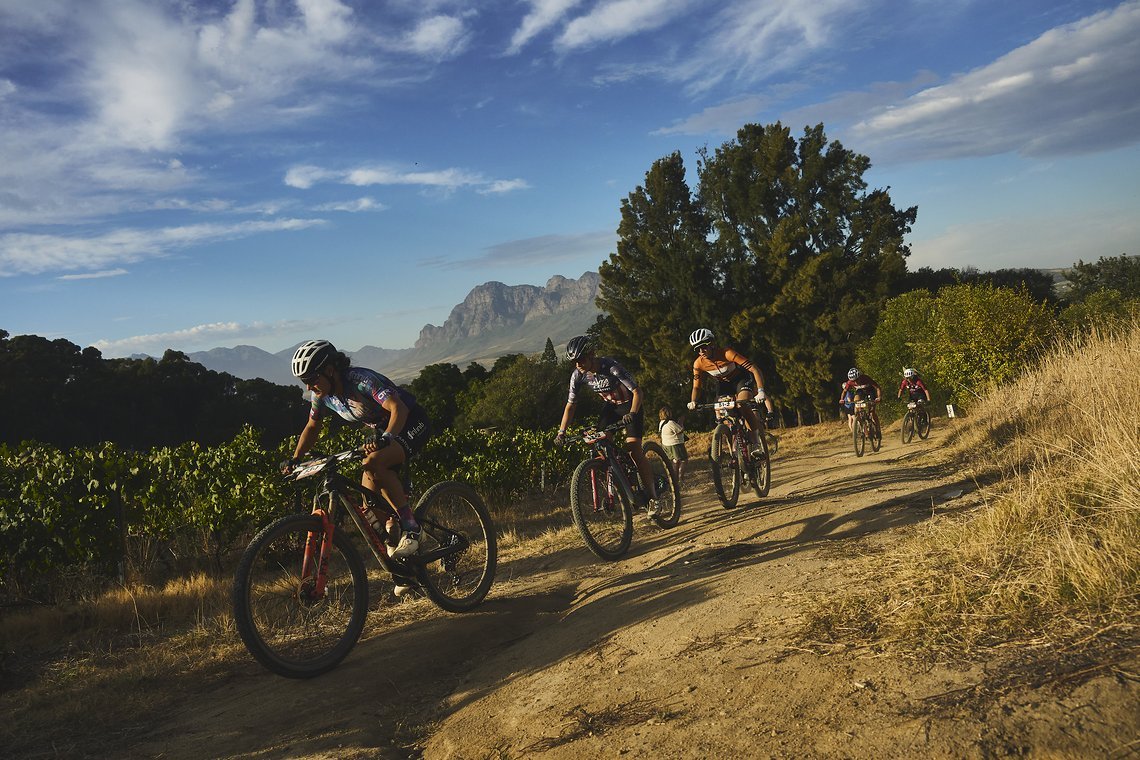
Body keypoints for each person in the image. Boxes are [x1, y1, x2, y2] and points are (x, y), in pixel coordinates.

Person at [284, 340, 431, 561]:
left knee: (373, 464)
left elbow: (396, 407)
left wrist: (387, 437)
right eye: (303, 381)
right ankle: (404, 566)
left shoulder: (361, 381)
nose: (308, 387)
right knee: (370, 507)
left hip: (408, 421)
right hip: (383, 431)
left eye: (311, 379)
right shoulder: (321, 395)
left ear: (330, 370)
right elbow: (312, 427)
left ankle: (413, 528)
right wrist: (295, 459)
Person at [554, 336, 661, 516]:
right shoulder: (577, 376)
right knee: (602, 446)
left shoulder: (611, 367)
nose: (578, 364)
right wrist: (561, 432)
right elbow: (570, 405)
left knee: (634, 449)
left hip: (630, 405)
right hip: (610, 408)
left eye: (580, 359)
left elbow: (637, 391)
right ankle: (622, 484)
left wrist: (633, 413)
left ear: (591, 354)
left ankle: (653, 498)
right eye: (574, 362)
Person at [685, 328, 776, 456]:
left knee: (741, 404)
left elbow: (755, 369)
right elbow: (696, 387)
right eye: (697, 349)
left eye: (703, 347)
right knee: (725, 415)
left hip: (741, 380)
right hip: (724, 385)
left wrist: (760, 390)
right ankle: (736, 449)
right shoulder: (698, 364)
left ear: (712, 343)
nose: (701, 351)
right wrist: (693, 401)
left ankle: (755, 442)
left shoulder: (727, 353)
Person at [839, 367, 882, 434]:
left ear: (859, 377)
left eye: (856, 380)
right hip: (860, 391)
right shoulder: (850, 382)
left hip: (870, 391)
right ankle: (862, 422)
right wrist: (841, 399)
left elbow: (877, 388)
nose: (855, 382)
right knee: (856, 402)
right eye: (853, 381)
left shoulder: (866, 378)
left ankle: (878, 429)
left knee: (872, 412)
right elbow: (844, 391)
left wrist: (878, 397)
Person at [658, 406, 687, 488]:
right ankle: (679, 478)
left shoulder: (661, 423)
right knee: (683, 460)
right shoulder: (671, 423)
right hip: (675, 444)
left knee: (674, 461)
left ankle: (674, 479)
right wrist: (681, 422)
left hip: (666, 444)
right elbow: (680, 430)